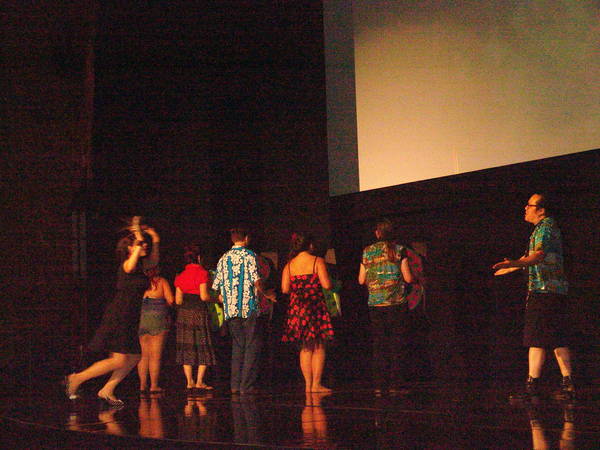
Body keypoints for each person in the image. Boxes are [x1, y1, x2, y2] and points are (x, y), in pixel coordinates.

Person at [64, 223, 161, 406]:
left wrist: (154, 238)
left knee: (134, 356)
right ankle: (76, 378)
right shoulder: (127, 265)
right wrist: (138, 236)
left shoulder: (141, 266)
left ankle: (107, 390)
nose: (143, 246)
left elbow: (154, 261)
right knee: (119, 359)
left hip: (130, 317)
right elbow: (131, 264)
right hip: (120, 315)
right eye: (138, 245)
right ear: (130, 249)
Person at [493, 193, 575, 400]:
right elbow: (530, 256)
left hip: (545, 292)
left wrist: (513, 264)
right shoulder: (543, 229)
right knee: (555, 338)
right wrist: (510, 267)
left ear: (541, 210)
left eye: (529, 205)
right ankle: (566, 385)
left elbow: (538, 256)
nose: (525, 208)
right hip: (552, 292)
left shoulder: (546, 228)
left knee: (536, 339)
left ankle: (533, 388)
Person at [212, 227, 275, 395]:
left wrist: (225, 297)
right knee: (252, 344)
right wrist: (267, 294)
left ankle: (235, 384)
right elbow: (257, 281)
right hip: (248, 307)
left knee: (238, 345)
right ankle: (246, 385)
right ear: (246, 238)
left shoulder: (223, 258)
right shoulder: (250, 256)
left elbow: (216, 286)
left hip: (231, 309)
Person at [358, 218, 414, 393]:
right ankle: (396, 384)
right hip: (396, 303)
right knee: (397, 344)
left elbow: (361, 279)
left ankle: (379, 385)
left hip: (375, 304)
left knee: (379, 344)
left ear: (377, 233)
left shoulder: (367, 251)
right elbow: (408, 278)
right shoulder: (399, 250)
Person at [281, 232, 334, 393]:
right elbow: (326, 285)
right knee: (318, 346)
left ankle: (307, 385)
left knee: (305, 347)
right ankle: (316, 384)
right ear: (309, 245)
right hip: (315, 307)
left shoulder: (289, 265)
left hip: (298, 309)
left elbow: (285, 289)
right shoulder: (317, 261)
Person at [173, 244, 217, 391]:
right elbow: (204, 296)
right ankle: (199, 382)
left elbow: (178, 300)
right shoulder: (202, 273)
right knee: (202, 346)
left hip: (184, 313)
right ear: (199, 258)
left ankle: (189, 381)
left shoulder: (180, 275)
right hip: (198, 312)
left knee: (187, 347)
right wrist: (217, 299)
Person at [137, 266, 174, 394]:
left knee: (143, 355)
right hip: (158, 320)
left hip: (142, 320)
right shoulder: (162, 282)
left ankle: (142, 385)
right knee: (155, 356)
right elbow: (171, 300)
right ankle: (154, 385)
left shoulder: (140, 283)